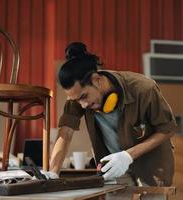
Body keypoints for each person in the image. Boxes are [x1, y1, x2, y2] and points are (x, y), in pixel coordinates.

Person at [49, 42, 176, 186]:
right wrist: (53, 172)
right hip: (113, 167)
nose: (82, 105)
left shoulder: (143, 89)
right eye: (76, 100)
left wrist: (128, 156)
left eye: (84, 97)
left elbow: (167, 129)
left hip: (152, 164)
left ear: (97, 80)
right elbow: (65, 132)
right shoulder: (78, 97)